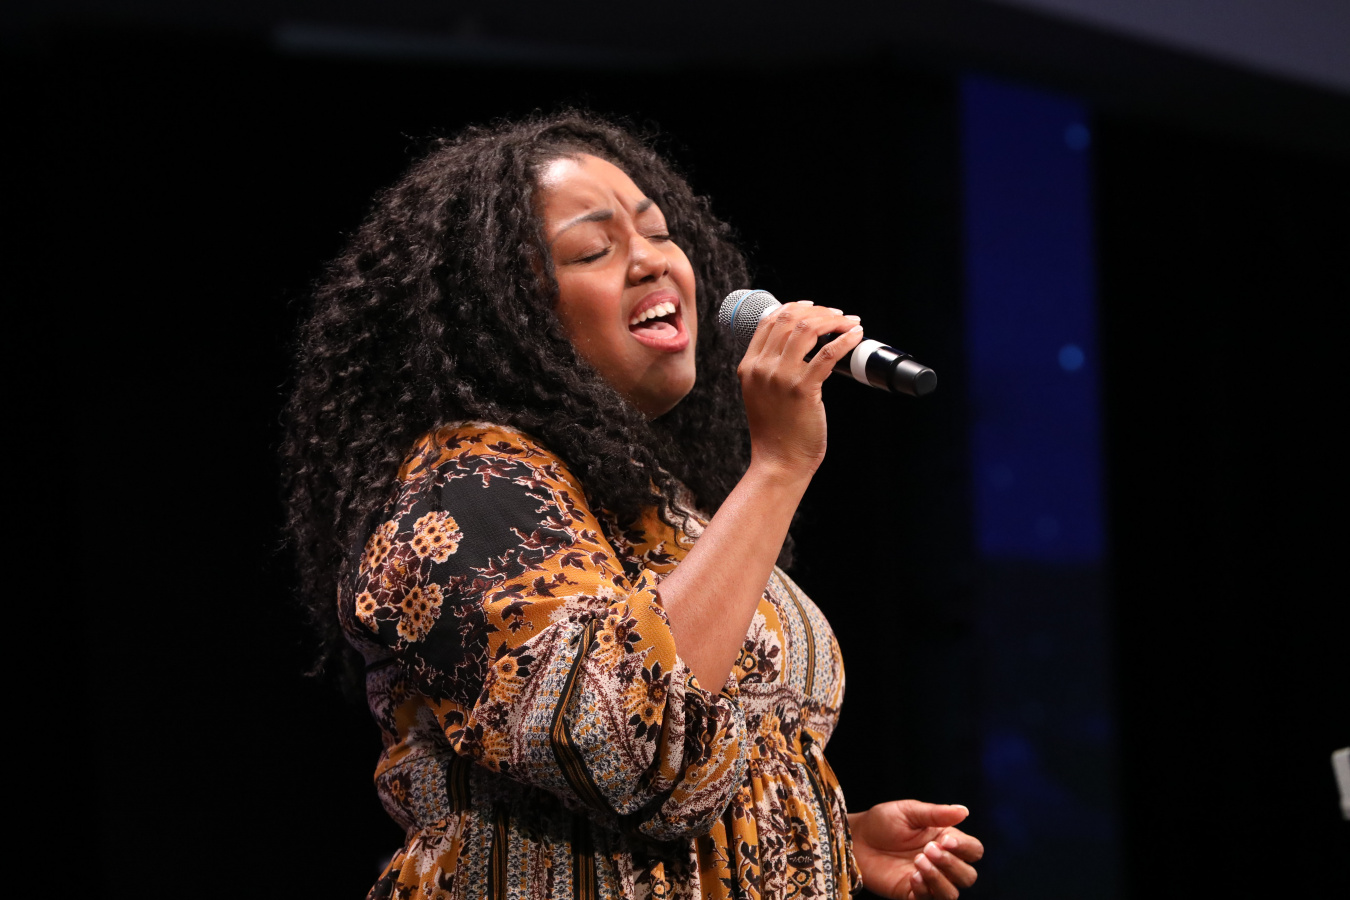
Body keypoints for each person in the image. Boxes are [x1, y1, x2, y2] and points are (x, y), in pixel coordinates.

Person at [283, 110, 983, 900]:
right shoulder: (464, 489)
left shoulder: (657, 503)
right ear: (505, 309)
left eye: (658, 233)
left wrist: (820, 834)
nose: (652, 261)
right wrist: (780, 466)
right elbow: (629, 745)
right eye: (595, 249)